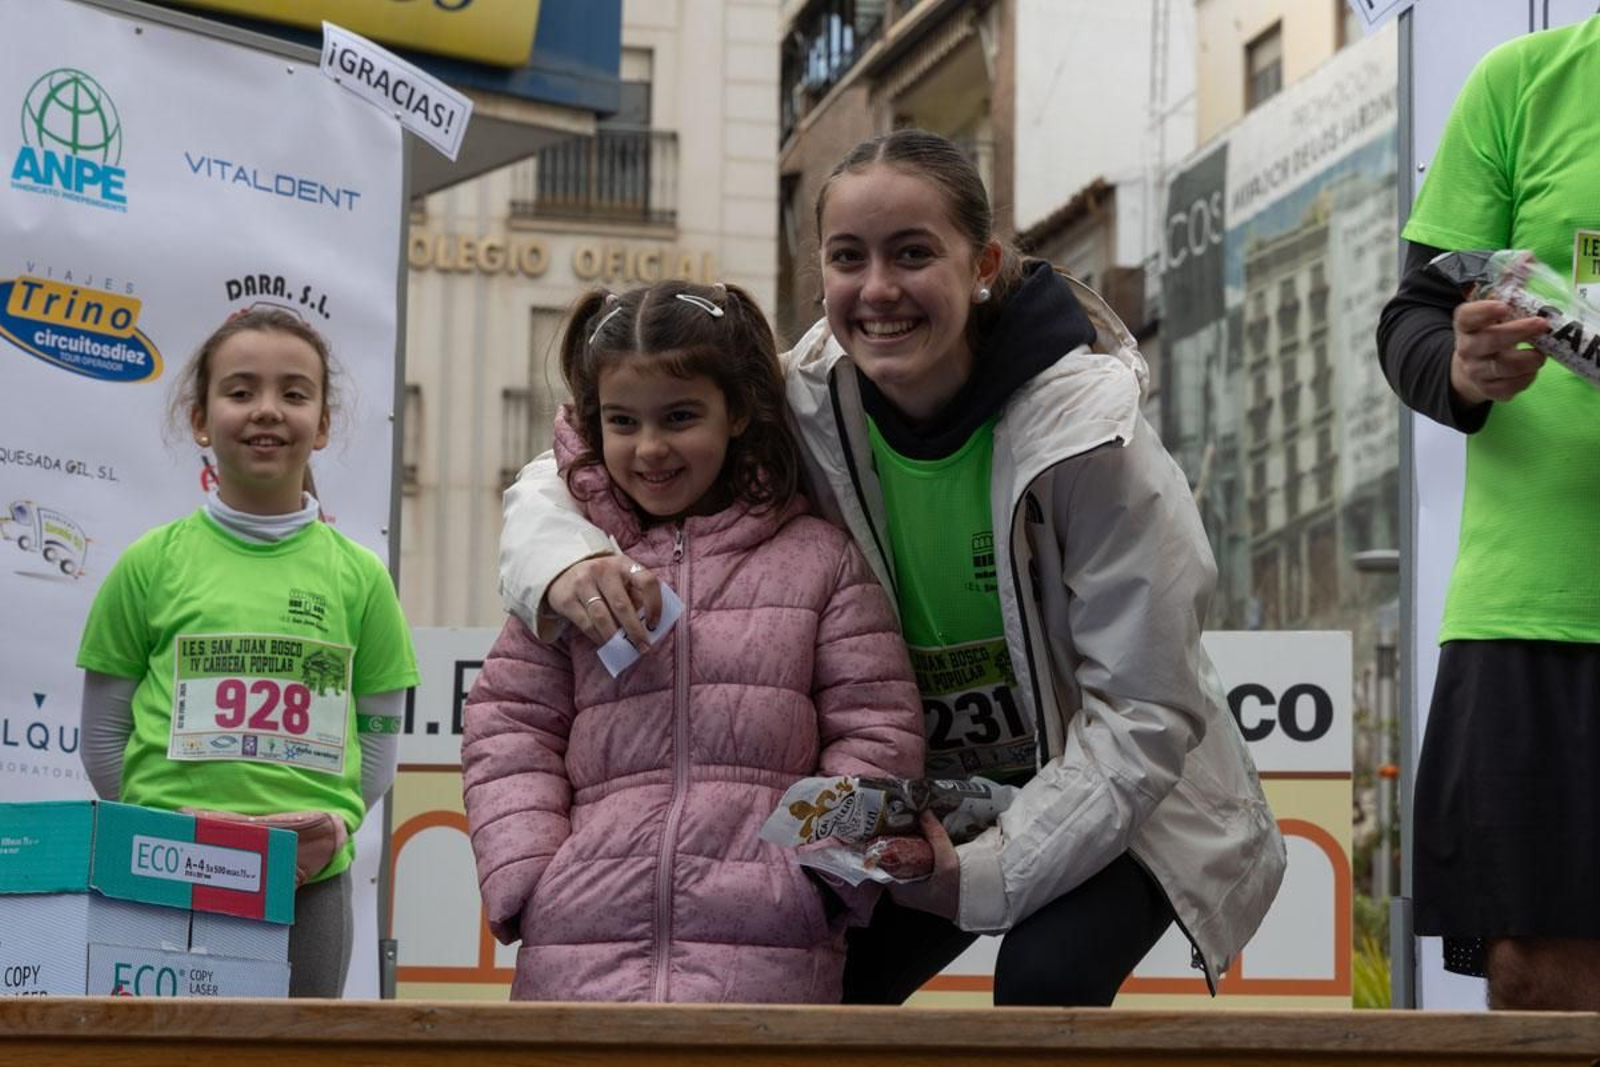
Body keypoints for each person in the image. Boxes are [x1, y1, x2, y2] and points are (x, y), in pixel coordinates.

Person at [498, 130, 1284, 1006]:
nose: (878, 290)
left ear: (983, 262)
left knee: (1044, 980)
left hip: (1118, 796)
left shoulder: (1094, 440)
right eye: (848, 257)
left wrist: (985, 876)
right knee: (819, 982)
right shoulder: (802, 403)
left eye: (912, 253)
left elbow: (1143, 716)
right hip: (929, 794)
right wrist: (562, 559)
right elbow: (576, 464)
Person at [462, 280, 924, 1003]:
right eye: (622, 421)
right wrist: (532, 876)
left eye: (680, 416)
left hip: (772, 967)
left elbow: (880, 731)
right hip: (575, 964)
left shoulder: (820, 559)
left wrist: (822, 885)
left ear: (737, 410)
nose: (650, 449)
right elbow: (506, 725)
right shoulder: (572, 567)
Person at [76, 307, 419, 998]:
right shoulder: (149, 564)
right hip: (163, 869)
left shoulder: (361, 577)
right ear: (201, 419)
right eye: (240, 391)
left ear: (322, 424)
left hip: (309, 882)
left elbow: (378, 747)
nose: (267, 410)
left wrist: (329, 821)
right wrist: (172, 828)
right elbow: (103, 741)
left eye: (294, 393)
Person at [1376, 18, 1600, 1011]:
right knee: (1540, 979)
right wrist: (1459, 365)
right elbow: (1417, 312)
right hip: (1535, 613)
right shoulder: (1522, 81)